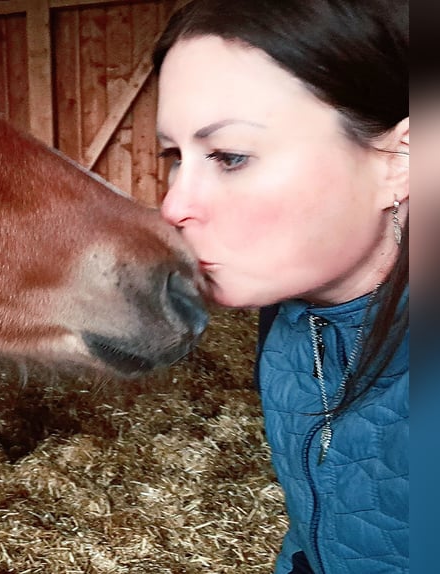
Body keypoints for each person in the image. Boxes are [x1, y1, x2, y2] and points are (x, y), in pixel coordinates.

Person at [151, 1, 408, 573]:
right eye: (175, 155)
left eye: (231, 156)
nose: (173, 207)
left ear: (402, 161)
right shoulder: (293, 320)